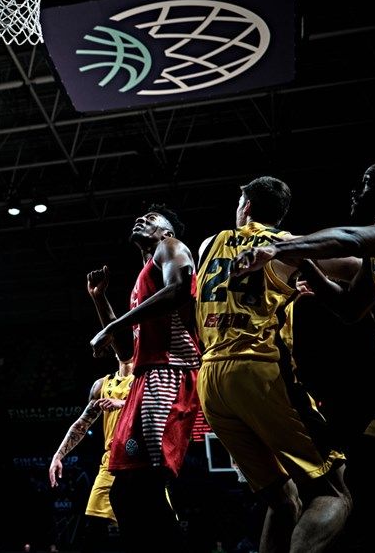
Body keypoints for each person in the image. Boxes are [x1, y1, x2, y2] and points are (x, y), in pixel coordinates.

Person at [196, 176, 352, 553]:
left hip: (212, 381)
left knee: (282, 500)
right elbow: (354, 267)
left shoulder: (207, 245)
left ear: (246, 207)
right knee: (334, 491)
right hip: (257, 371)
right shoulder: (285, 246)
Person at [87, 205, 202, 552]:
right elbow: (125, 350)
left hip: (171, 371)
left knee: (147, 485)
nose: (143, 219)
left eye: (153, 219)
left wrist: (112, 324)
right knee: (124, 489)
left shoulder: (171, 247)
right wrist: (101, 301)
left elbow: (181, 288)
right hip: (146, 376)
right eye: (141, 217)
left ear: (167, 231)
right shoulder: (144, 275)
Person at [48, 348, 133, 546]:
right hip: (111, 461)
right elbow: (81, 424)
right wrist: (58, 455)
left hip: (141, 461)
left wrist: (121, 403)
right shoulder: (101, 385)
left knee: (156, 527)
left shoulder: (145, 380)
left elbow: (157, 406)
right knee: (93, 526)